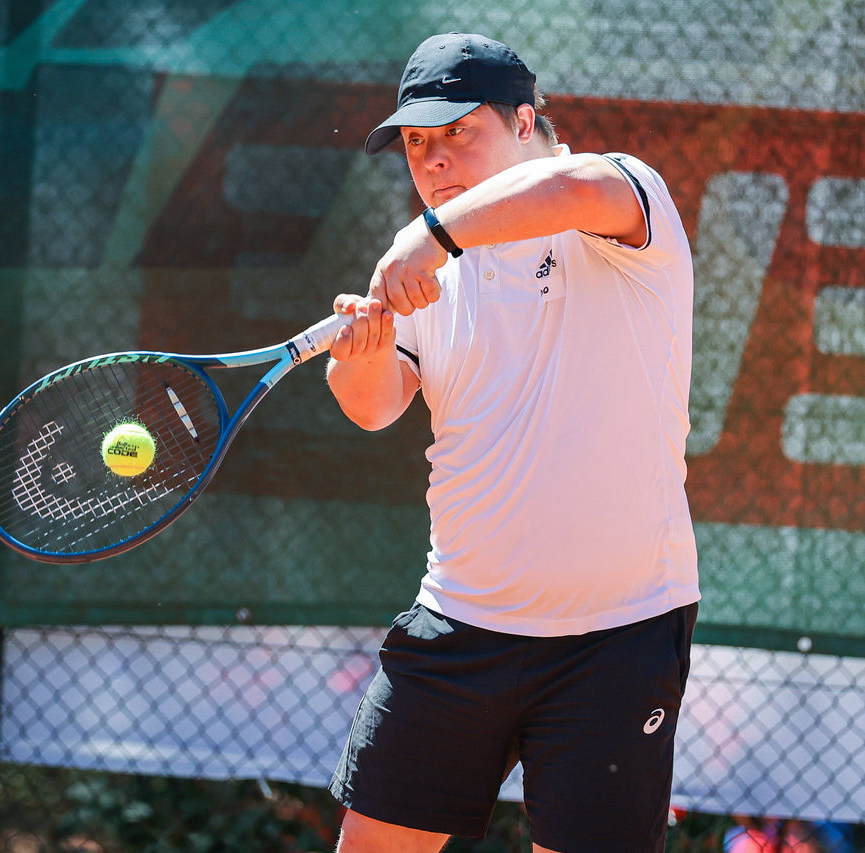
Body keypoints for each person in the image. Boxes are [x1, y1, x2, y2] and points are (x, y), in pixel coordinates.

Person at [325, 31, 701, 853]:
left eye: (458, 131)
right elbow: (375, 406)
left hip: (618, 634)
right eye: (417, 144)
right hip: (459, 624)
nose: (434, 160)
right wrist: (361, 358)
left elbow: (573, 185)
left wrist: (430, 234)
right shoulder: (433, 274)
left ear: (526, 120)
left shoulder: (624, 197)